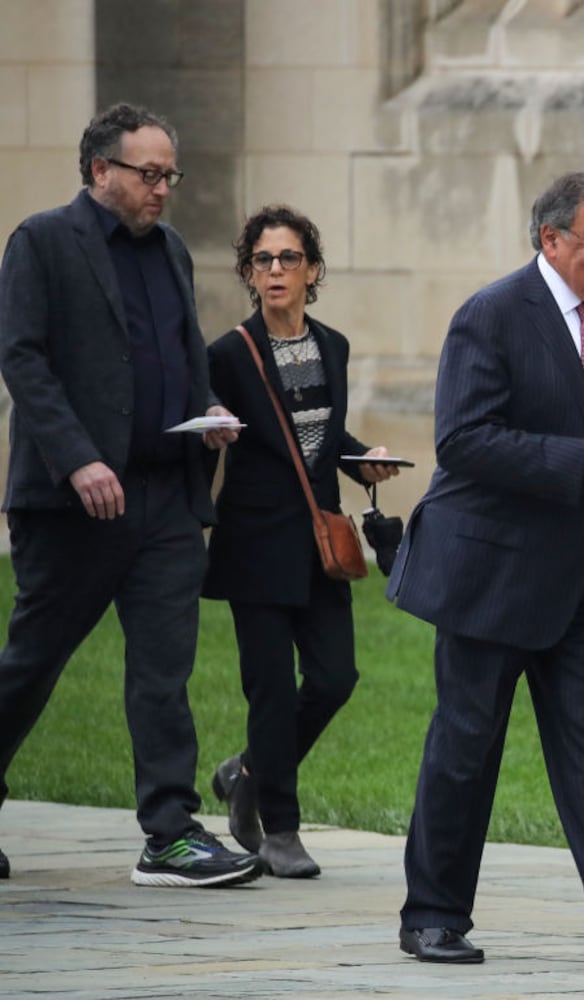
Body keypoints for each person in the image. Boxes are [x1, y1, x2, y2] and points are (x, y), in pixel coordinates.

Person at [386, 172, 584, 965]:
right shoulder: (492, 316)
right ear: (551, 239)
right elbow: (463, 439)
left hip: (581, 576)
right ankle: (432, 915)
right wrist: (579, 459)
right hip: (488, 574)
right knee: (465, 746)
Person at [0, 103, 258, 887]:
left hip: (166, 500)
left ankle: (170, 833)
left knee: (162, 672)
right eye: (149, 174)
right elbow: (23, 359)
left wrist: (208, 410)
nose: (163, 189)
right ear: (98, 170)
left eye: (169, 174)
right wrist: (78, 459)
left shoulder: (172, 250)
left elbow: (182, 356)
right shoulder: (43, 242)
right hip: (73, 505)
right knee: (33, 662)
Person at [203, 205, 399, 878]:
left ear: (313, 270)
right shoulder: (229, 355)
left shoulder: (332, 346)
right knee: (269, 688)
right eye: (263, 260)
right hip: (254, 541)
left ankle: (248, 769)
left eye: (289, 258)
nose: (276, 270)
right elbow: (210, 435)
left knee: (334, 677)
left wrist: (360, 456)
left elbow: (318, 439)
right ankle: (279, 828)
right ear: (249, 273)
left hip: (320, 539)